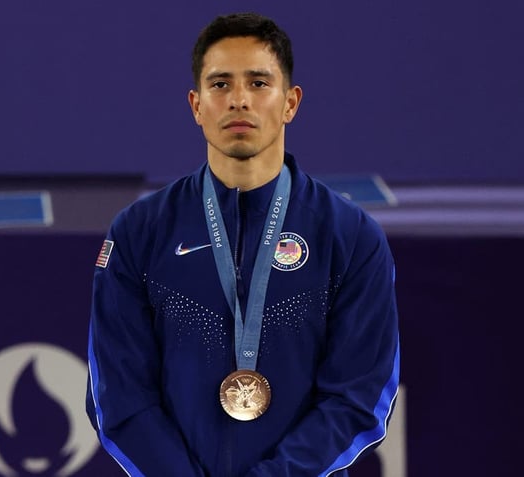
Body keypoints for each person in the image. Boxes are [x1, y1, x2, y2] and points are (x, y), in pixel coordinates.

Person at [86, 12, 400, 476]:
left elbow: (358, 398)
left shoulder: (351, 236)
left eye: (258, 83)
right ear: (195, 105)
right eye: (219, 85)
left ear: (290, 102)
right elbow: (119, 397)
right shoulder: (138, 231)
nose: (238, 100)